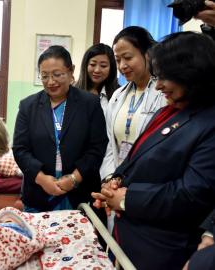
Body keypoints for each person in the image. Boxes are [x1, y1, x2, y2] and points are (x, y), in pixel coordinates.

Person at [92, 31, 215, 270]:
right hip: (131, 237)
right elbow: (137, 154)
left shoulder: (208, 123)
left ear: (190, 75)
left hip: (162, 248)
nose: (157, 86)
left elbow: (191, 194)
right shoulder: (170, 111)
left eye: (164, 78)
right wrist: (115, 181)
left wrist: (127, 198)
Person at [13, 45, 108, 212]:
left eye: (57, 75)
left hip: (80, 189)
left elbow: (97, 147)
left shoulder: (89, 104)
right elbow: (20, 149)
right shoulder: (28, 106)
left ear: (71, 71)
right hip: (39, 190)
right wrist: (41, 179)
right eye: (44, 76)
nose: (51, 82)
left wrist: (74, 179)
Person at [99, 26, 167, 181]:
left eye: (128, 58)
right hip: (117, 181)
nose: (122, 65)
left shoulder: (164, 94)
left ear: (148, 55)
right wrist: (110, 178)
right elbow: (111, 145)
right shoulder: (117, 96)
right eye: (117, 60)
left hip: (148, 181)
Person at [75, 43, 119, 114]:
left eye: (103, 66)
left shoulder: (118, 94)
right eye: (92, 64)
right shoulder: (73, 91)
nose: (97, 70)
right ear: (85, 65)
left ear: (111, 68)